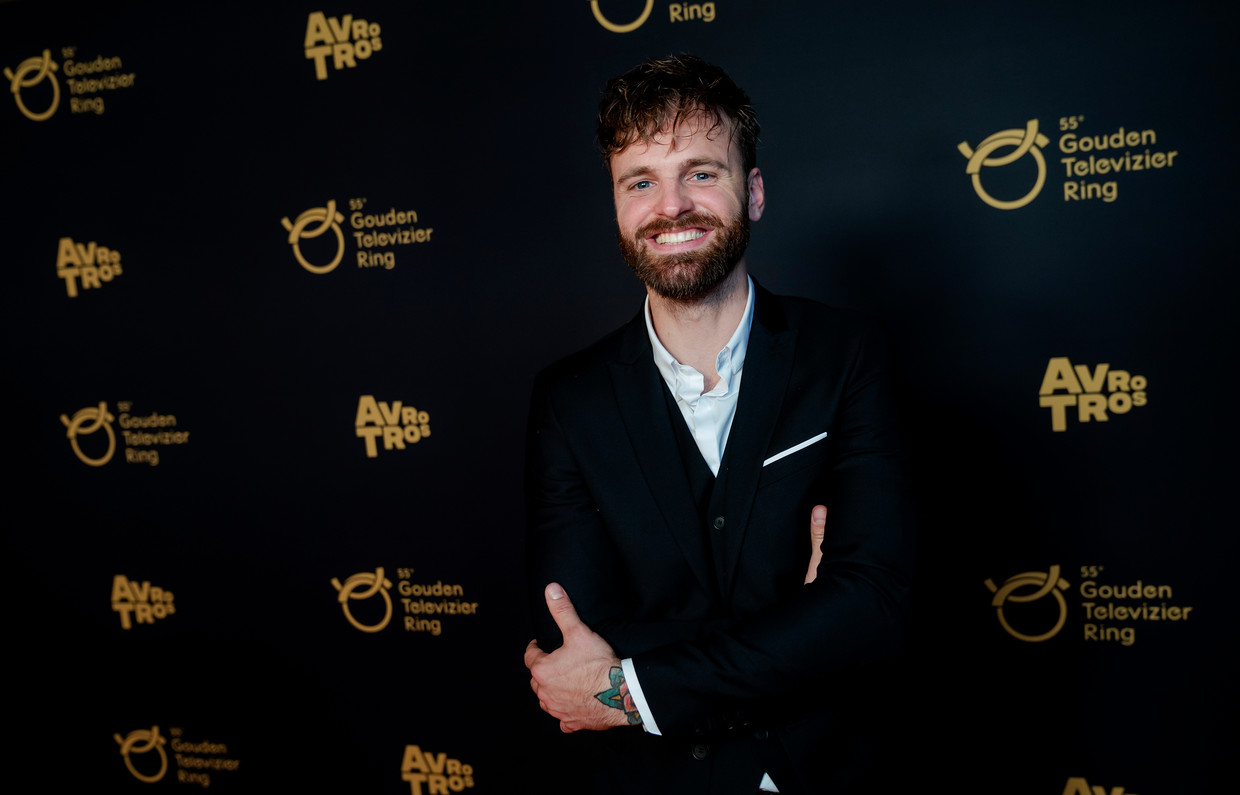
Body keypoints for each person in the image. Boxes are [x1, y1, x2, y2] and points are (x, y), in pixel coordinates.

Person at [523, 54, 915, 794]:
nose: (672, 206)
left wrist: (632, 688)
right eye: (641, 182)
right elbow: (572, 636)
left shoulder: (848, 355)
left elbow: (874, 608)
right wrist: (804, 625)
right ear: (616, 206)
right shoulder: (568, 400)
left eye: (701, 173)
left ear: (753, 192)